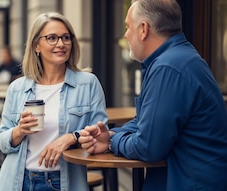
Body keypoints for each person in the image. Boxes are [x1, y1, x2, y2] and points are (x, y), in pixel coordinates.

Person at [79, 0, 227, 190]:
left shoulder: (168, 67)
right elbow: (144, 122)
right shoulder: (177, 59)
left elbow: (147, 147)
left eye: (127, 26)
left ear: (143, 29)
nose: (125, 34)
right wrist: (112, 135)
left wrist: (112, 141)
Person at [0, 12, 108, 191]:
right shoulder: (17, 88)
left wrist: (70, 138)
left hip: (64, 182)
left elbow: (101, 135)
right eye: (52, 38)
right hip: (19, 181)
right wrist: (19, 131)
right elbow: (1, 141)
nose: (61, 44)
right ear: (36, 46)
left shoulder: (88, 84)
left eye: (65, 37)